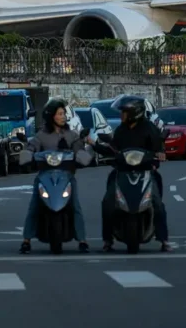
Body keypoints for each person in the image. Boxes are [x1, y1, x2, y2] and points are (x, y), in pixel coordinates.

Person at [18, 99, 91, 254]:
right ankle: (26, 240)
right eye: (59, 114)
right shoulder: (41, 135)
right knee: (34, 206)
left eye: (63, 113)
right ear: (51, 116)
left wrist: (82, 153)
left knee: (76, 206)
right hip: (44, 176)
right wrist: (28, 154)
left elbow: (79, 149)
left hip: (67, 176)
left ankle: (82, 240)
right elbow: (32, 147)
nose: (63, 116)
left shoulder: (72, 135)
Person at [99, 96, 170, 252]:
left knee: (157, 204)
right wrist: (97, 146)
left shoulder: (149, 128)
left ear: (134, 113)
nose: (121, 115)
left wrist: (160, 153)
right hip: (122, 171)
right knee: (107, 203)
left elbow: (159, 145)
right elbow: (112, 148)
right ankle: (107, 240)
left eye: (124, 112)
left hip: (146, 171)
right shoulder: (120, 130)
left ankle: (163, 240)